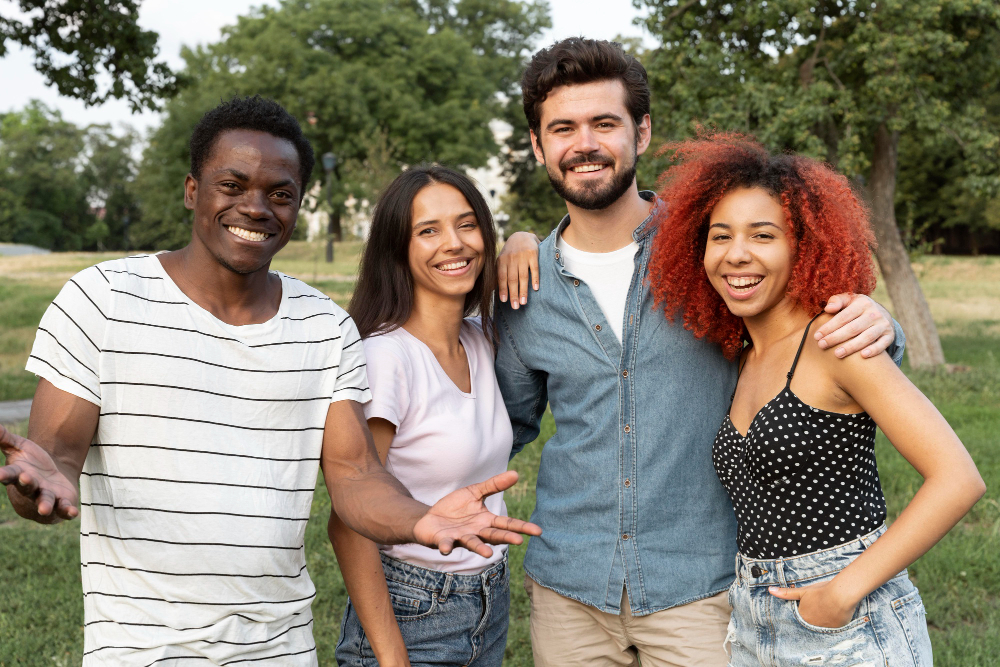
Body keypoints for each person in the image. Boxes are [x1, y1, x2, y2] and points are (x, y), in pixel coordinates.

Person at [0, 96, 539, 666]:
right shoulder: (102, 300)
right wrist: (35, 484)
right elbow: (53, 455)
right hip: (141, 649)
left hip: (282, 648)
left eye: (279, 194)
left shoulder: (325, 326)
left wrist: (420, 519)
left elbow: (356, 476)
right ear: (192, 190)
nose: (255, 207)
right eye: (232, 186)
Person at [493, 38, 905, 666]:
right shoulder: (524, 287)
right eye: (563, 127)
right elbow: (503, 425)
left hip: (700, 586)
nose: (585, 143)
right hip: (569, 589)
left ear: (643, 131)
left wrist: (877, 321)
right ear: (537, 143)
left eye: (605, 123)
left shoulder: (712, 253)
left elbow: (803, 319)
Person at [645, 132, 985, 665]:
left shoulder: (836, 341)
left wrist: (839, 594)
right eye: (719, 236)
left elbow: (958, 478)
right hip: (753, 617)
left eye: (763, 235)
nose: (736, 255)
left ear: (803, 245)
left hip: (845, 620)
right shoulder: (740, 354)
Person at [330, 165, 514, 667]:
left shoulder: (481, 338)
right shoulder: (386, 357)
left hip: (488, 599)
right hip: (413, 607)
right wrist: (392, 658)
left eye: (467, 224)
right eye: (427, 231)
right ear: (398, 250)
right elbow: (348, 522)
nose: (453, 243)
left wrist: (521, 240)